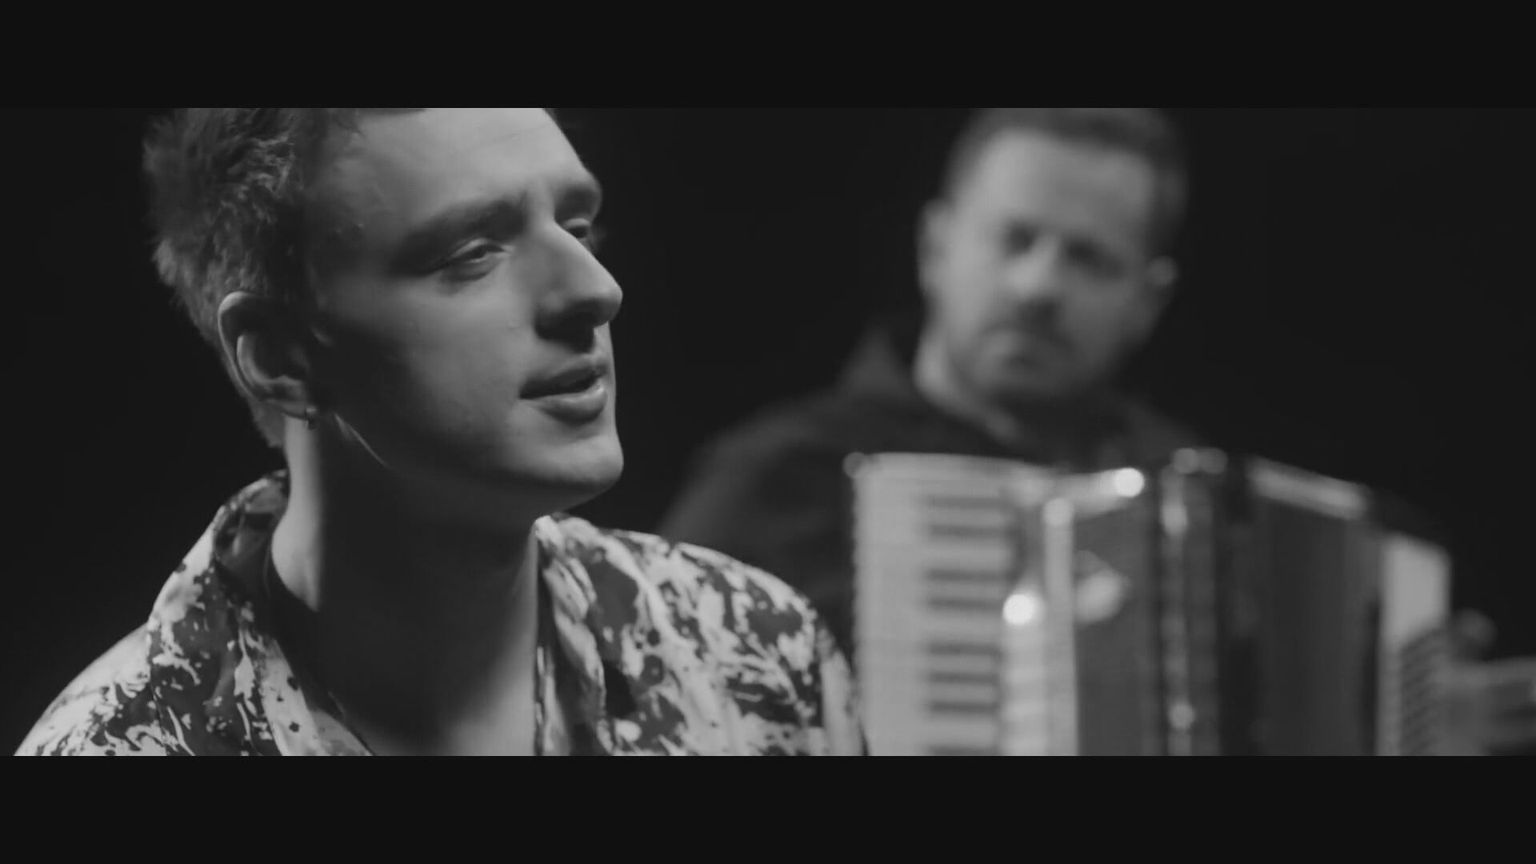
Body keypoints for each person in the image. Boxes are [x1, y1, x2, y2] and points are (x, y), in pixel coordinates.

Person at [660, 107, 1534, 756]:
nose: (1039, 286)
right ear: (935, 246)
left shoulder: (1189, 491)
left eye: (1089, 258)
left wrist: (1399, 727)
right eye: (1016, 239)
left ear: (1148, 302)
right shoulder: (778, 480)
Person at [16, 108, 864, 757]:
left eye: (578, 228)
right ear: (279, 355)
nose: (596, 290)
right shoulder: (123, 748)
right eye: (472, 253)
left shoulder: (755, 658)